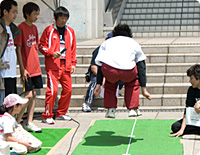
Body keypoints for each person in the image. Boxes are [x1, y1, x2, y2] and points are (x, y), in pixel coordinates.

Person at [94, 24, 152, 118]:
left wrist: (98, 84)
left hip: (110, 71)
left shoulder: (107, 42)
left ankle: (111, 109)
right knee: (132, 83)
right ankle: (132, 109)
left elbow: (100, 64)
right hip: (128, 71)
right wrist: (144, 89)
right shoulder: (133, 43)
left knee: (110, 84)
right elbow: (141, 66)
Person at [39, 6, 77, 124]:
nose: (63, 20)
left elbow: (73, 49)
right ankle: (47, 115)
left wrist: (74, 63)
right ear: (55, 18)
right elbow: (41, 45)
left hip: (66, 65)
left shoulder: (70, 31)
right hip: (53, 66)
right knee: (53, 91)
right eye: (61, 17)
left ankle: (61, 113)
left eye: (65, 17)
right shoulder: (49, 30)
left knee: (68, 90)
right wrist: (51, 53)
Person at [14, 2, 42, 133]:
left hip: (36, 67)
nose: (37, 16)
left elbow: (35, 46)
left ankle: (29, 121)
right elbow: (18, 50)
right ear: (27, 14)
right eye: (34, 14)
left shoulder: (35, 28)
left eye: (38, 14)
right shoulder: (20, 28)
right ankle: (17, 122)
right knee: (28, 95)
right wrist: (22, 68)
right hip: (27, 69)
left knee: (34, 94)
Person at [82, 33, 113, 112]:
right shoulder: (98, 50)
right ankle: (87, 103)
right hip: (97, 72)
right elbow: (93, 67)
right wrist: (102, 78)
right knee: (96, 81)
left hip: (110, 72)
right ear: (105, 40)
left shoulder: (115, 51)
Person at [169, 64, 200, 137]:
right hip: (195, 118)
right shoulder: (191, 90)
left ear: (198, 78)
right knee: (176, 127)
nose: (190, 81)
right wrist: (182, 130)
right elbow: (187, 110)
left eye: (191, 78)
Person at [0, 0, 21, 99]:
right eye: (13, 12)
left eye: (16, 12)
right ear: (5, 12)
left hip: (11, 72)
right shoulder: (1, 28)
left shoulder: (12, 28)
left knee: (11, 105)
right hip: (3, 73)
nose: (15, 15)